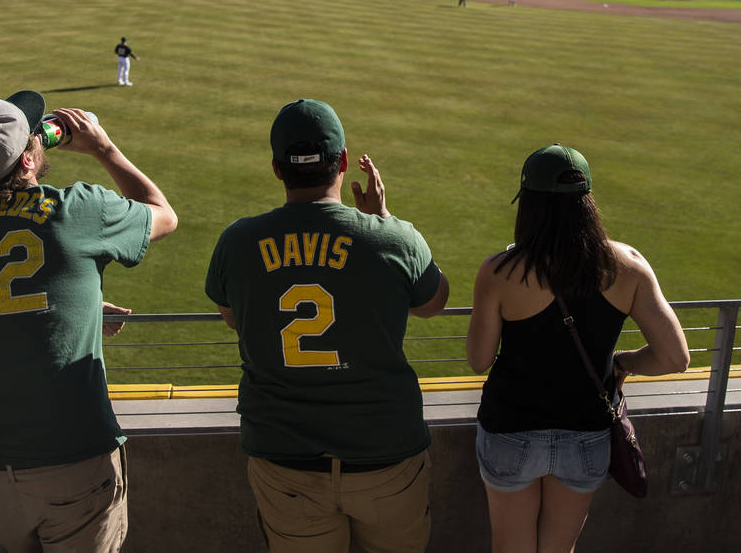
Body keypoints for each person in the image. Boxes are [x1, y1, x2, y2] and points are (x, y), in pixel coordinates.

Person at [0, 90, 177, 552]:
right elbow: (163, 215)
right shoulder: (77, 209)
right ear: (28, 160)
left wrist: (77, 305)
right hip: (72, 455)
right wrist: (104, 148)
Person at [205, 98, 450, 553]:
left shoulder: (237, 241)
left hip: (285, 460)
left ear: (278, 169)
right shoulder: (394, 238)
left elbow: (233, 318)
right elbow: (434, 303)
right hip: (386, 456)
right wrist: (384, 220)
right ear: (342, 163)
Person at [466, 144, 690, 553]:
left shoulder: (499, 272)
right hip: (586, 437)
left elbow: (479, 361)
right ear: (587, 202)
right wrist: (625, 362)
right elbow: (675, 358)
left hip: (511, 431)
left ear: (529, 204)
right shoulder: (629, 266)